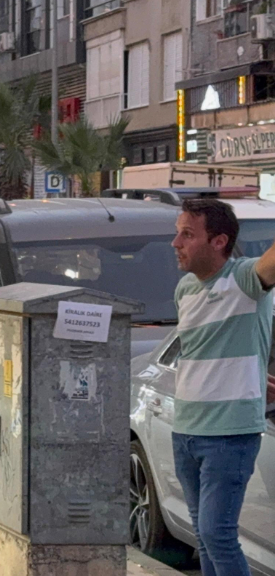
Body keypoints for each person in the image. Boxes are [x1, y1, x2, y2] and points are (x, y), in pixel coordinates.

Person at [170, 198, 274, 576]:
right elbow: (208, 348)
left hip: (229, 435)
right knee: (204, 537)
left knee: (218, 534)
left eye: (187, 234)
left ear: (218, 242)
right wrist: (253, 372)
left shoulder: (246, 279)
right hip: (185, 431)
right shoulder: (185, 289)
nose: (175, 243)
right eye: (177, 233)